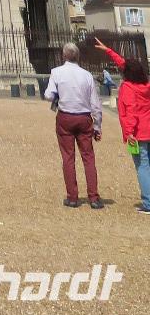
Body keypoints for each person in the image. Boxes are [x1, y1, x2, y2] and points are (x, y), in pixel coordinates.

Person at [92, 39, 150, 213]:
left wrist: (130, 132)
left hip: (138, 133)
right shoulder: (145, 85)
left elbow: (131, 112)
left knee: (142, 166)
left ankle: (148, 203)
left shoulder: (128, 88)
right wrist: (108, 50)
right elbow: (126, 65)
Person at [44, 41, 103, 208]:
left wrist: (57, 96)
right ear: (78, 56)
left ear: (64, 56)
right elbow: (96, 104)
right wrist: (97, 126)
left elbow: (48, 95)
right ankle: (94, 198)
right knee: (88, 158)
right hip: (84, 119)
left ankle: (72, 197)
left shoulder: (56, 72)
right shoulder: (87, 75)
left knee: (68, 158)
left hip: (65, 118)